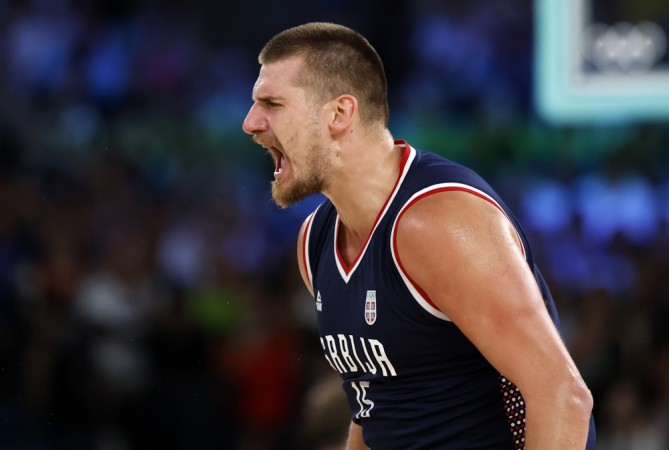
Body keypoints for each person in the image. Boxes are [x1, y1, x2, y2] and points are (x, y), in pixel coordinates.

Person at [242, 22, 596, 450]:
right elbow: (376, 412)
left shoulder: (438, 221)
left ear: (339, 114)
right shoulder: (315, 240)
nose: (250, 122)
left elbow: (563, 396)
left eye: (272, 103)